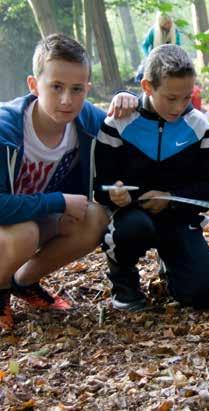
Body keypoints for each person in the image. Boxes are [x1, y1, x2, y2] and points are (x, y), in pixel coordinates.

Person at [94, 44, 209, 312]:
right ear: (147, 87)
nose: (179, 107)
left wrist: (171, 200)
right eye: (170, 98)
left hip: (179, 217)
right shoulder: (118, 122)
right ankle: (124, 282)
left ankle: (172, 266)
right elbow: (100, 184)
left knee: (204, 294)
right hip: (131, 217)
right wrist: (113, 193)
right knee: (135, 228)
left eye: (187, 97)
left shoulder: (199, 126)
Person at [0, 34, 110, 330]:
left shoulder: (86, 121)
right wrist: (59, 201)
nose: (67, 100)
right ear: (34, 85)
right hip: (9, 225)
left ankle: (22, 282)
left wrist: (128, 100)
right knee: (23, 233)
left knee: (94, 217)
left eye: (77, 89)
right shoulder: (5, 129)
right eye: (56, 87)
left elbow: (141, 120)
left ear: (87, 87)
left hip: (33, 218)